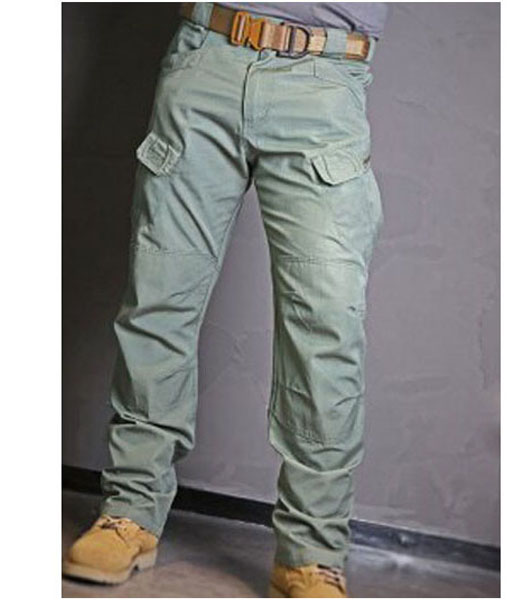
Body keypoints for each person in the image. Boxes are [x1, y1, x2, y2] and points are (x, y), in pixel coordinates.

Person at [62, 2, 389, 597]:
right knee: (158, 302)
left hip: (325, 77)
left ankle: (312, 551)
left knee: (327, 327)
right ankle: (130, 511)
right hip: (206, 55)